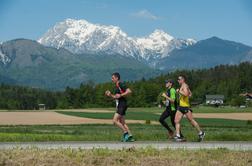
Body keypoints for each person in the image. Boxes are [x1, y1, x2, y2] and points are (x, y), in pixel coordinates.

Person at [174, 75, 205, 142]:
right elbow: (190, 94)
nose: (178, 80)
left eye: (179, 79)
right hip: (181, 106)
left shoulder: (185, 86)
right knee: (176, 121)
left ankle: (201, 133)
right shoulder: (183, 86)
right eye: (177, 79)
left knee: (191, 121)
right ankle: (178, 136)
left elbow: (186, 94)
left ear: (183, 80)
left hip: (185, 106)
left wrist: (179, 91)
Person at [105, 72, 134, 142]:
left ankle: (125, 133)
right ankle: (130, 136)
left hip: (122, 104)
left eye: (113, 78)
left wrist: (121, 95)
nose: (112, 79)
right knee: (122, 122)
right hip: (121, 104)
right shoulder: (117, 86)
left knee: (114, 120)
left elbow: (129, 91)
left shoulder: (121, 84)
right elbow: (116, 97)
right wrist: (110, 95)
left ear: (117, 78)